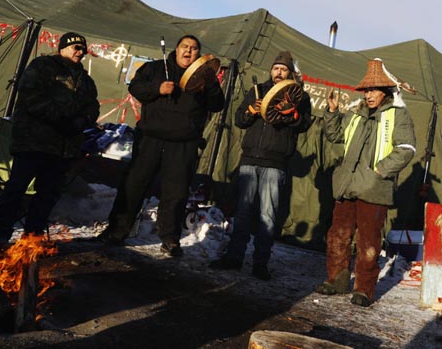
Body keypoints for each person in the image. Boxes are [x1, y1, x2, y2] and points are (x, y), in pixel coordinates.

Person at [100, 35, 224, 256]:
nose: (189, 51)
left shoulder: (204, 79)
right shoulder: (155, 68)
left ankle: (170, 239)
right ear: (176, 50)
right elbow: (136, 88)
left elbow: (217, 105)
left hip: (183, 143)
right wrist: (158, 88)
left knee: (175, 193)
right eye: (185, 47)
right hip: (150, 138)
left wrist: (212, 83)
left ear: (198, 53)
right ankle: (116, 232)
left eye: (194, 48)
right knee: (134, 185)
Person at [314, 58, 416, 306]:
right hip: (347, 186)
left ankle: (363, 289)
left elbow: (406, 148)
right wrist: (331, 112)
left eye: (374, 90)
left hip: (374, 189)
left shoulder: (398, 115)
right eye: (366, 90)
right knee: (338, 235)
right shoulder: (356, 112)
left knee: (368, 242)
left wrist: (379, 172)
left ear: (385, 91)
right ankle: (336, 280)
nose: (369, 95)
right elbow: (335, 135)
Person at [209, 51, 312, 280]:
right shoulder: (258, 91)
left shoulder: (299, 97)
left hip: (275, 163)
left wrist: (291, 114)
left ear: (290, 73)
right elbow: (239, 119)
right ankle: (234, 257)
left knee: (268, 215)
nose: (278, 72)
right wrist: (251, 111)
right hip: (249, 159)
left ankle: (260, 263)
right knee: (243, 211)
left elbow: (303, 123)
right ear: (271, 70)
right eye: (276, 68)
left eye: (283, 69)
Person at [0, 32, 99, 245]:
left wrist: (83, 121)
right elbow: (31, 97)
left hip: (63, 147)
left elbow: (93, 106)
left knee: (47, 194)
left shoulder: (85, 80)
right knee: (16, 188)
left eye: (82, 49)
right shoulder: (42, 67)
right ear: (62, 48)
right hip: (34, 141)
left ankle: (32, 239)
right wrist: (60, 119)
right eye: (75, 48)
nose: (80, 52)